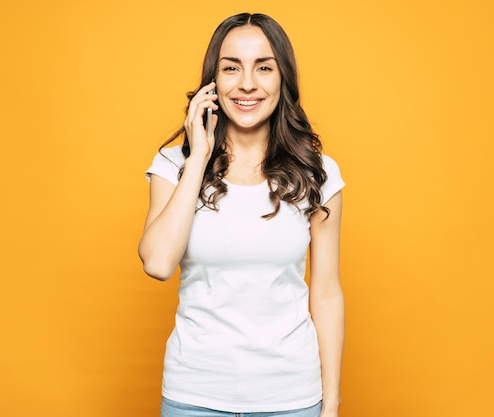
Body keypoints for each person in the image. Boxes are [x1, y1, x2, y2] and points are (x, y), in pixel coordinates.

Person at [138, 12, 344, 417]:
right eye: (231, 68)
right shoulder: (172, 165)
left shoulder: (317, 172)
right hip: (194, 395)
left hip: (292, 400)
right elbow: (159, 264)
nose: (247, 83)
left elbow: (326, 293)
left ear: (282, 78)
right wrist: (198, 155)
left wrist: (332, 402)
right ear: (212, 83)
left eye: (263, 67)